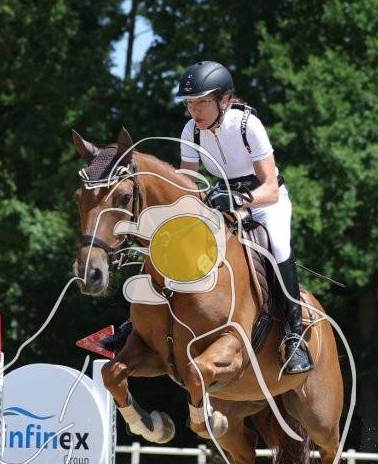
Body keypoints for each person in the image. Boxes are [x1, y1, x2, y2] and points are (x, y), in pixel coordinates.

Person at [102, 60, 314, 374]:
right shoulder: (191, 131)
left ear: (223, 99)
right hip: (220, 201)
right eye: (190, 104)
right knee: (170, 244)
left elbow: (270, 187)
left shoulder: (247, 126)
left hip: (264, 202)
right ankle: (137, 323)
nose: (194, 111)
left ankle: (294, 335)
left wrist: (241, 199)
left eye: (201, 102)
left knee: (279, 247)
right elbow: (185, 182)